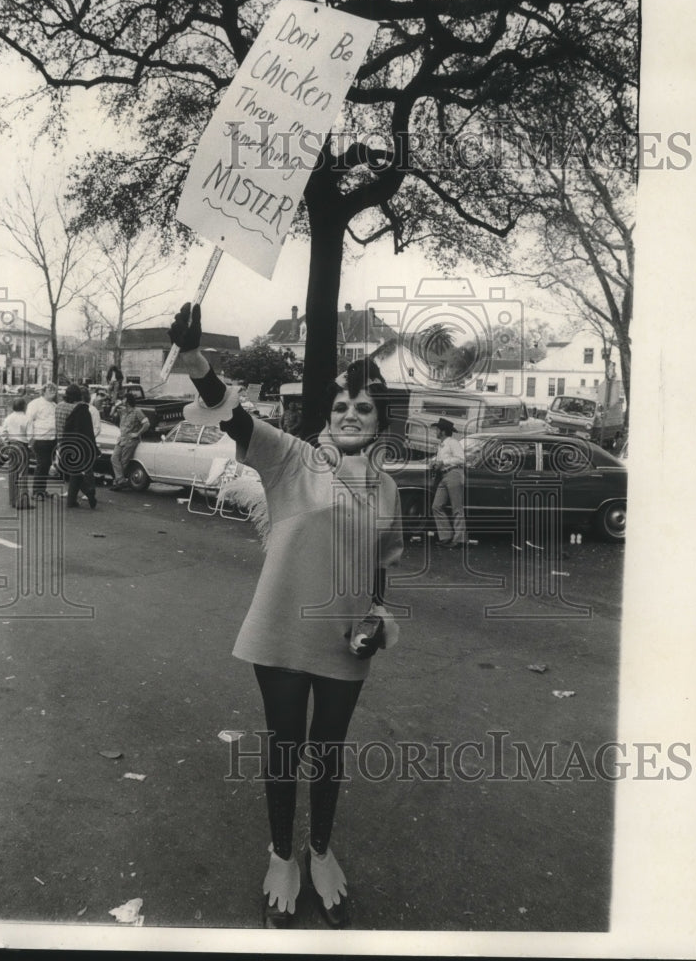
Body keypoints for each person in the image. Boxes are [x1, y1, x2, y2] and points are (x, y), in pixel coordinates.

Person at [168, 303, 403, 930]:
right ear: (327, 416)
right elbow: (239, 421)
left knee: (328, 752)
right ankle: (281, 857)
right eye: (340, 407)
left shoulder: (386, 486)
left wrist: (378, 614)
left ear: (380, 419)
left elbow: (381, 562)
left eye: (363, 408)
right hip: (281, 631)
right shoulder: (296, 459)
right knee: (285, 748)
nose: (350, 414)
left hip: (346, 644)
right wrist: (197, 364)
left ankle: (319, 853)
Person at [429, 417, 466, 548]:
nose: (436, 432)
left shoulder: (453, 442)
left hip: (454, 474)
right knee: (436, 506)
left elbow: (461, 459)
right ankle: (446, 536)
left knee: (457, 508)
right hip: (444, 476)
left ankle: (459, 539)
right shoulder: (443, 445)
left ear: (443, 431)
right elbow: (442, 459)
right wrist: (434, 462)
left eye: (437, 429)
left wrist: (442, 462)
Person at [61, 385, 98, 509]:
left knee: (74, 473)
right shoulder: (84, 410)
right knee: (76, 473)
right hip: (82, 446)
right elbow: (89, 431)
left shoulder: (69, 409)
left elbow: (67, 430)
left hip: (71, 445)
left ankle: (75, 498)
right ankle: (86, 494)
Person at [110, 392, 149, 489]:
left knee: (124, 461)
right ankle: (121, 480)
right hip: (121, 439)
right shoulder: (123, 411)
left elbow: (146, 424)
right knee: (114, 458)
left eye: (123, 399)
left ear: (127, 401)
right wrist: (115, 406)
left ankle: (118, 483)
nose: (122, 400)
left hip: (131, 440)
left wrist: (137, 433)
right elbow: (110, 414)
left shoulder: (137, 411)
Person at [25, 382, 57, 499]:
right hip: (39, 438)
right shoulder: (35, 404)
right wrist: (30, 438)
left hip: (51, 439)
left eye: (54, 390)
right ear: (43, 391)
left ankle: (41, 490)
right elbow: (28, 421)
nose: (53, 392)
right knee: (41, 464)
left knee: (46, 465)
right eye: (50, 390)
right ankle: (37, 491)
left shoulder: (54, 405)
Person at [0, 397, 31, 508]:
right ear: (24, 407)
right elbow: (30, 436)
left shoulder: (8, 418)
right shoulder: (27, 419)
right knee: (23, 474)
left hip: (12, 445)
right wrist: (31, 446)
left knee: (13, 473)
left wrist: (7, 443)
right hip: (22, 445)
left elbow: (3, 433)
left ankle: (12, 500)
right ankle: (22, 502)